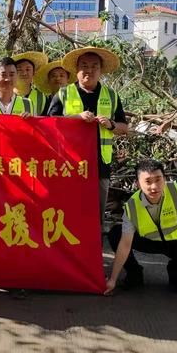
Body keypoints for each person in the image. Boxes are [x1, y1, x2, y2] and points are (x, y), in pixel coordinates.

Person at [105, 159, 177, 294]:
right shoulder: (132, 207)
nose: (154, 186)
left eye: (158, 179)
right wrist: (113, 280)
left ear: (165, 178)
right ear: (138, 184)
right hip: (149, 242)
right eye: (148, 181)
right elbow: (125, 244)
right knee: (116, 234)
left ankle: (174, 269)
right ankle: (135, 274)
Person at [48, 47, 128, 222]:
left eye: (94, 66)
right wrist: (76, 118)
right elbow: (49, 125)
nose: (89, 70)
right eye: (84, 65)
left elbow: (125, 128)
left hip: (100, 166)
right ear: (76, 70)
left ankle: (93, 247)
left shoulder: (112, 96)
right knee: (66, 210)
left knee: (95, 213)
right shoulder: (63, 94)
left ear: (101, 70)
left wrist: (111, 124)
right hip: (68, 164)